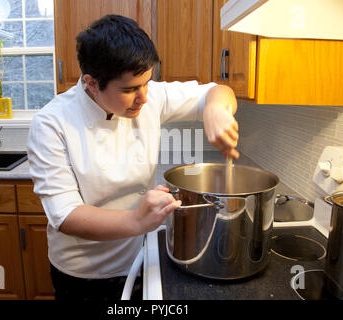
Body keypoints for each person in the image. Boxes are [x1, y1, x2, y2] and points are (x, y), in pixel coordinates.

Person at [27, 14, 239, 301]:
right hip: (85, 274)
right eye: (129, 90)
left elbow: (217, 91)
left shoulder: (149, 96)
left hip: (141, 258)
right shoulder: (51, 124)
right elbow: (66, 215)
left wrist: (217, 110)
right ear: (91, 83)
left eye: (147, 84)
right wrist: (138, 221)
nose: (143, 97)